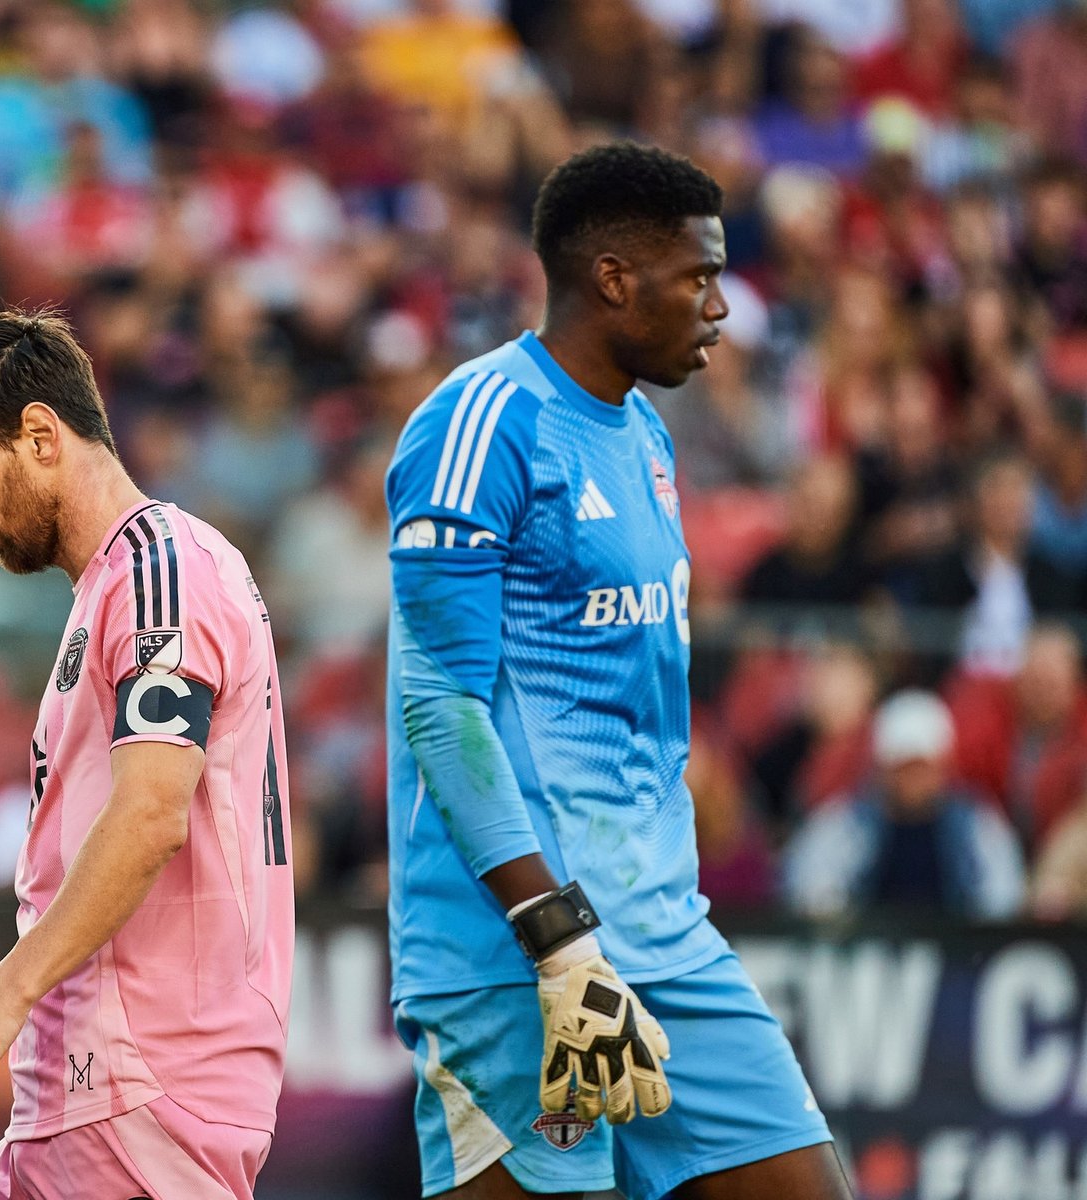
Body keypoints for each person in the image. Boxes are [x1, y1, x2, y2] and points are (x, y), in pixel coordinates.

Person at [384, 142, 849, 1200]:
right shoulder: (480, 420)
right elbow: (439, 704)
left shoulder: (643, 434)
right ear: (611, 278)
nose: (719, 308)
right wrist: (554, 940)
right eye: (698, 277)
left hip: (663, 939)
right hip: (512, 957)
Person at [0, 309, 293, 1200]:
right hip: (85, 1088)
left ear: (39, 435)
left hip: (142, 1083)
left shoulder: (161, 573)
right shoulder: (111, 586)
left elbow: (151, 815)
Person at [783, 690, 1026, 920]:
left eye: (921, 765)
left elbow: (1001, 901)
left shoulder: (977, 827)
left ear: (943, 765)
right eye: (902, 766)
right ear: (881, 767)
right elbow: (812, 895)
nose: (913, 778)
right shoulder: (843, 825)